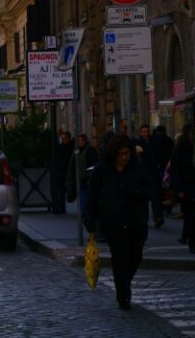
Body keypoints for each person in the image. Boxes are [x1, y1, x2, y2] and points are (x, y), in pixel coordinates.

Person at [85, 135, 154, 309]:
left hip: (136, 220)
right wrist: (90, 220)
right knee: (120, 257)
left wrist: (137, 193)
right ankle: (123, 294)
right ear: (113, 155)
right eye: (121, 154)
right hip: (113, 222)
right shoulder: (102, 171)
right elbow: (92, 196)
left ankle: (124, 282)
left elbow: (151, 189)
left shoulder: (137, 168)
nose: (125, 157)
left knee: (135, 256)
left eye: (127, 153)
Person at [169, 124, 195, 253]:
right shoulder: (180, 148)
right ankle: (192, 242)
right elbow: (175, 170)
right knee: (190, 217)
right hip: (186, 187)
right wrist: (179, 190)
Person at [135, 124, 165, 228]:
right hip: (142, 173)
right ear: (140, 133)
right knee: (144, 198)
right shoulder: (137, 143)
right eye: (144, 132)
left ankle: (158, 217)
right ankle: (145, 218)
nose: (146, 134)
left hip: (153, 172)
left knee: (156, 196)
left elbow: (160, 156)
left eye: (147, 131)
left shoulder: (154, 142)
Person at [66, 133, 100, 216]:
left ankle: (87, 213)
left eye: (81, 140)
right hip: (80, 178)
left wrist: (89, 172)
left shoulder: (89, 150)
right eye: (78, 141)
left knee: (86, 197)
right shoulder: (76, 151)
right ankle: (84, 213)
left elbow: (94, 164)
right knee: (82, 197)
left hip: (87, 178)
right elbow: (72, 165)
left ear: (85, 141)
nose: (79, 142)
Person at [53, 131, 73, 214]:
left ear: (69, 138)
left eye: (65, 138)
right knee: (61, 190)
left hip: (69, 170)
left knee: (69, 189)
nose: (63, 140)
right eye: (62, 138)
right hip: (61, 170)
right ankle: (61, 207)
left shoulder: (72, 147)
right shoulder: (60, 147)